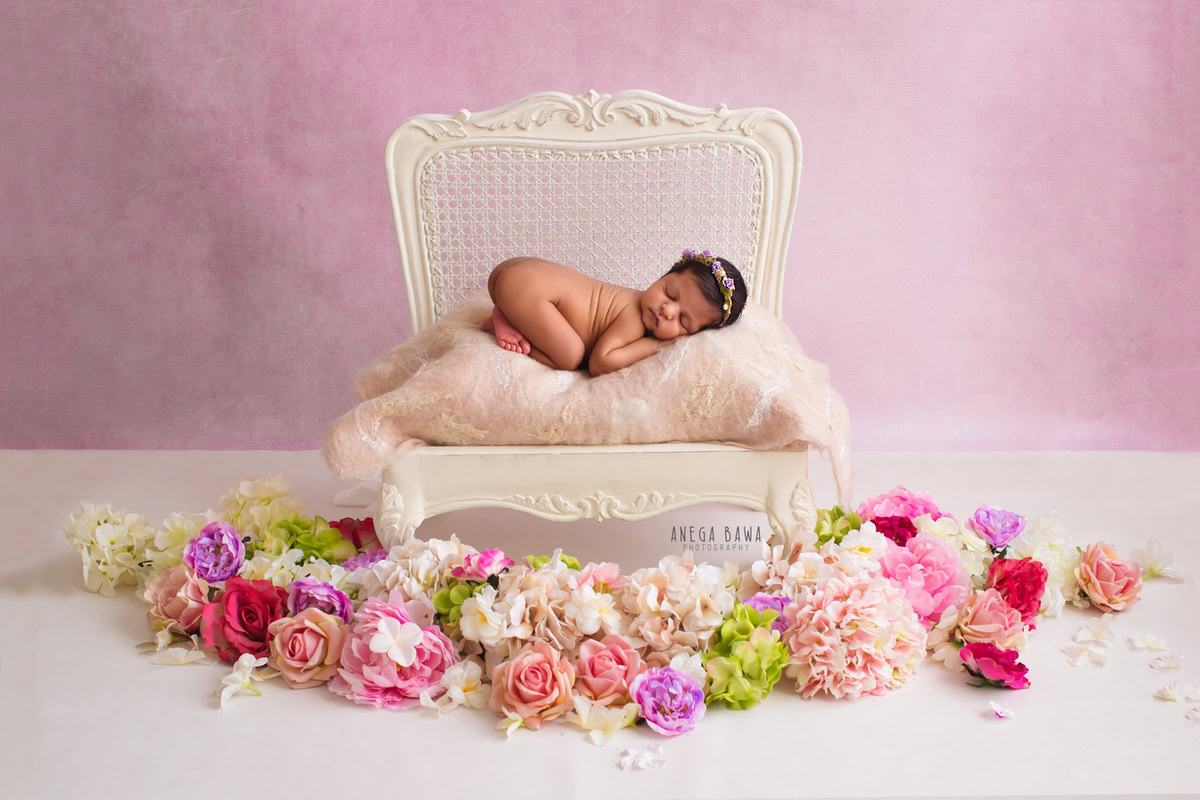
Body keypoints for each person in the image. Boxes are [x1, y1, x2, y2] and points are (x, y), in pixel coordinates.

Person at [478, 249, 748, 377]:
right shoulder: (633, 315)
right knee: (571, 356)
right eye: (669, 293)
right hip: (523, 285)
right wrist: (654, 343)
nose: (667, 310)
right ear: (663, 276)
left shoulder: (640, 306)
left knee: (568, 345)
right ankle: (508, 320)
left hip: (518, 275)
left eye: (683, 321)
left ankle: (513, 315)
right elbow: (600, 362)